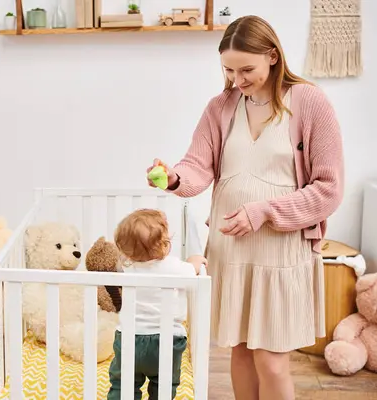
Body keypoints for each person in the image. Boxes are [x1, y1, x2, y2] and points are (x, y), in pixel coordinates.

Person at [147, 15, 344, 400]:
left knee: (271, 360)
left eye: (247, 69)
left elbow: (329, 189)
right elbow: (197, 166)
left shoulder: (310, 102)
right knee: (239, 350)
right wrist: (173, 178)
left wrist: (264, 211)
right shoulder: (221, 106)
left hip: (280, 250)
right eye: (229, 70)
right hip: (230, 247)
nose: (238, 79)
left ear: (273, 56)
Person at [107, 208, 208, 400]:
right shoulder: (174, 267)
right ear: (164, 244)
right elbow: (193, 270)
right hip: (167, 340)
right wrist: (196, 260)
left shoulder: (126, 268)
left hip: (129, 340)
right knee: (164, 384)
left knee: (123, 384)